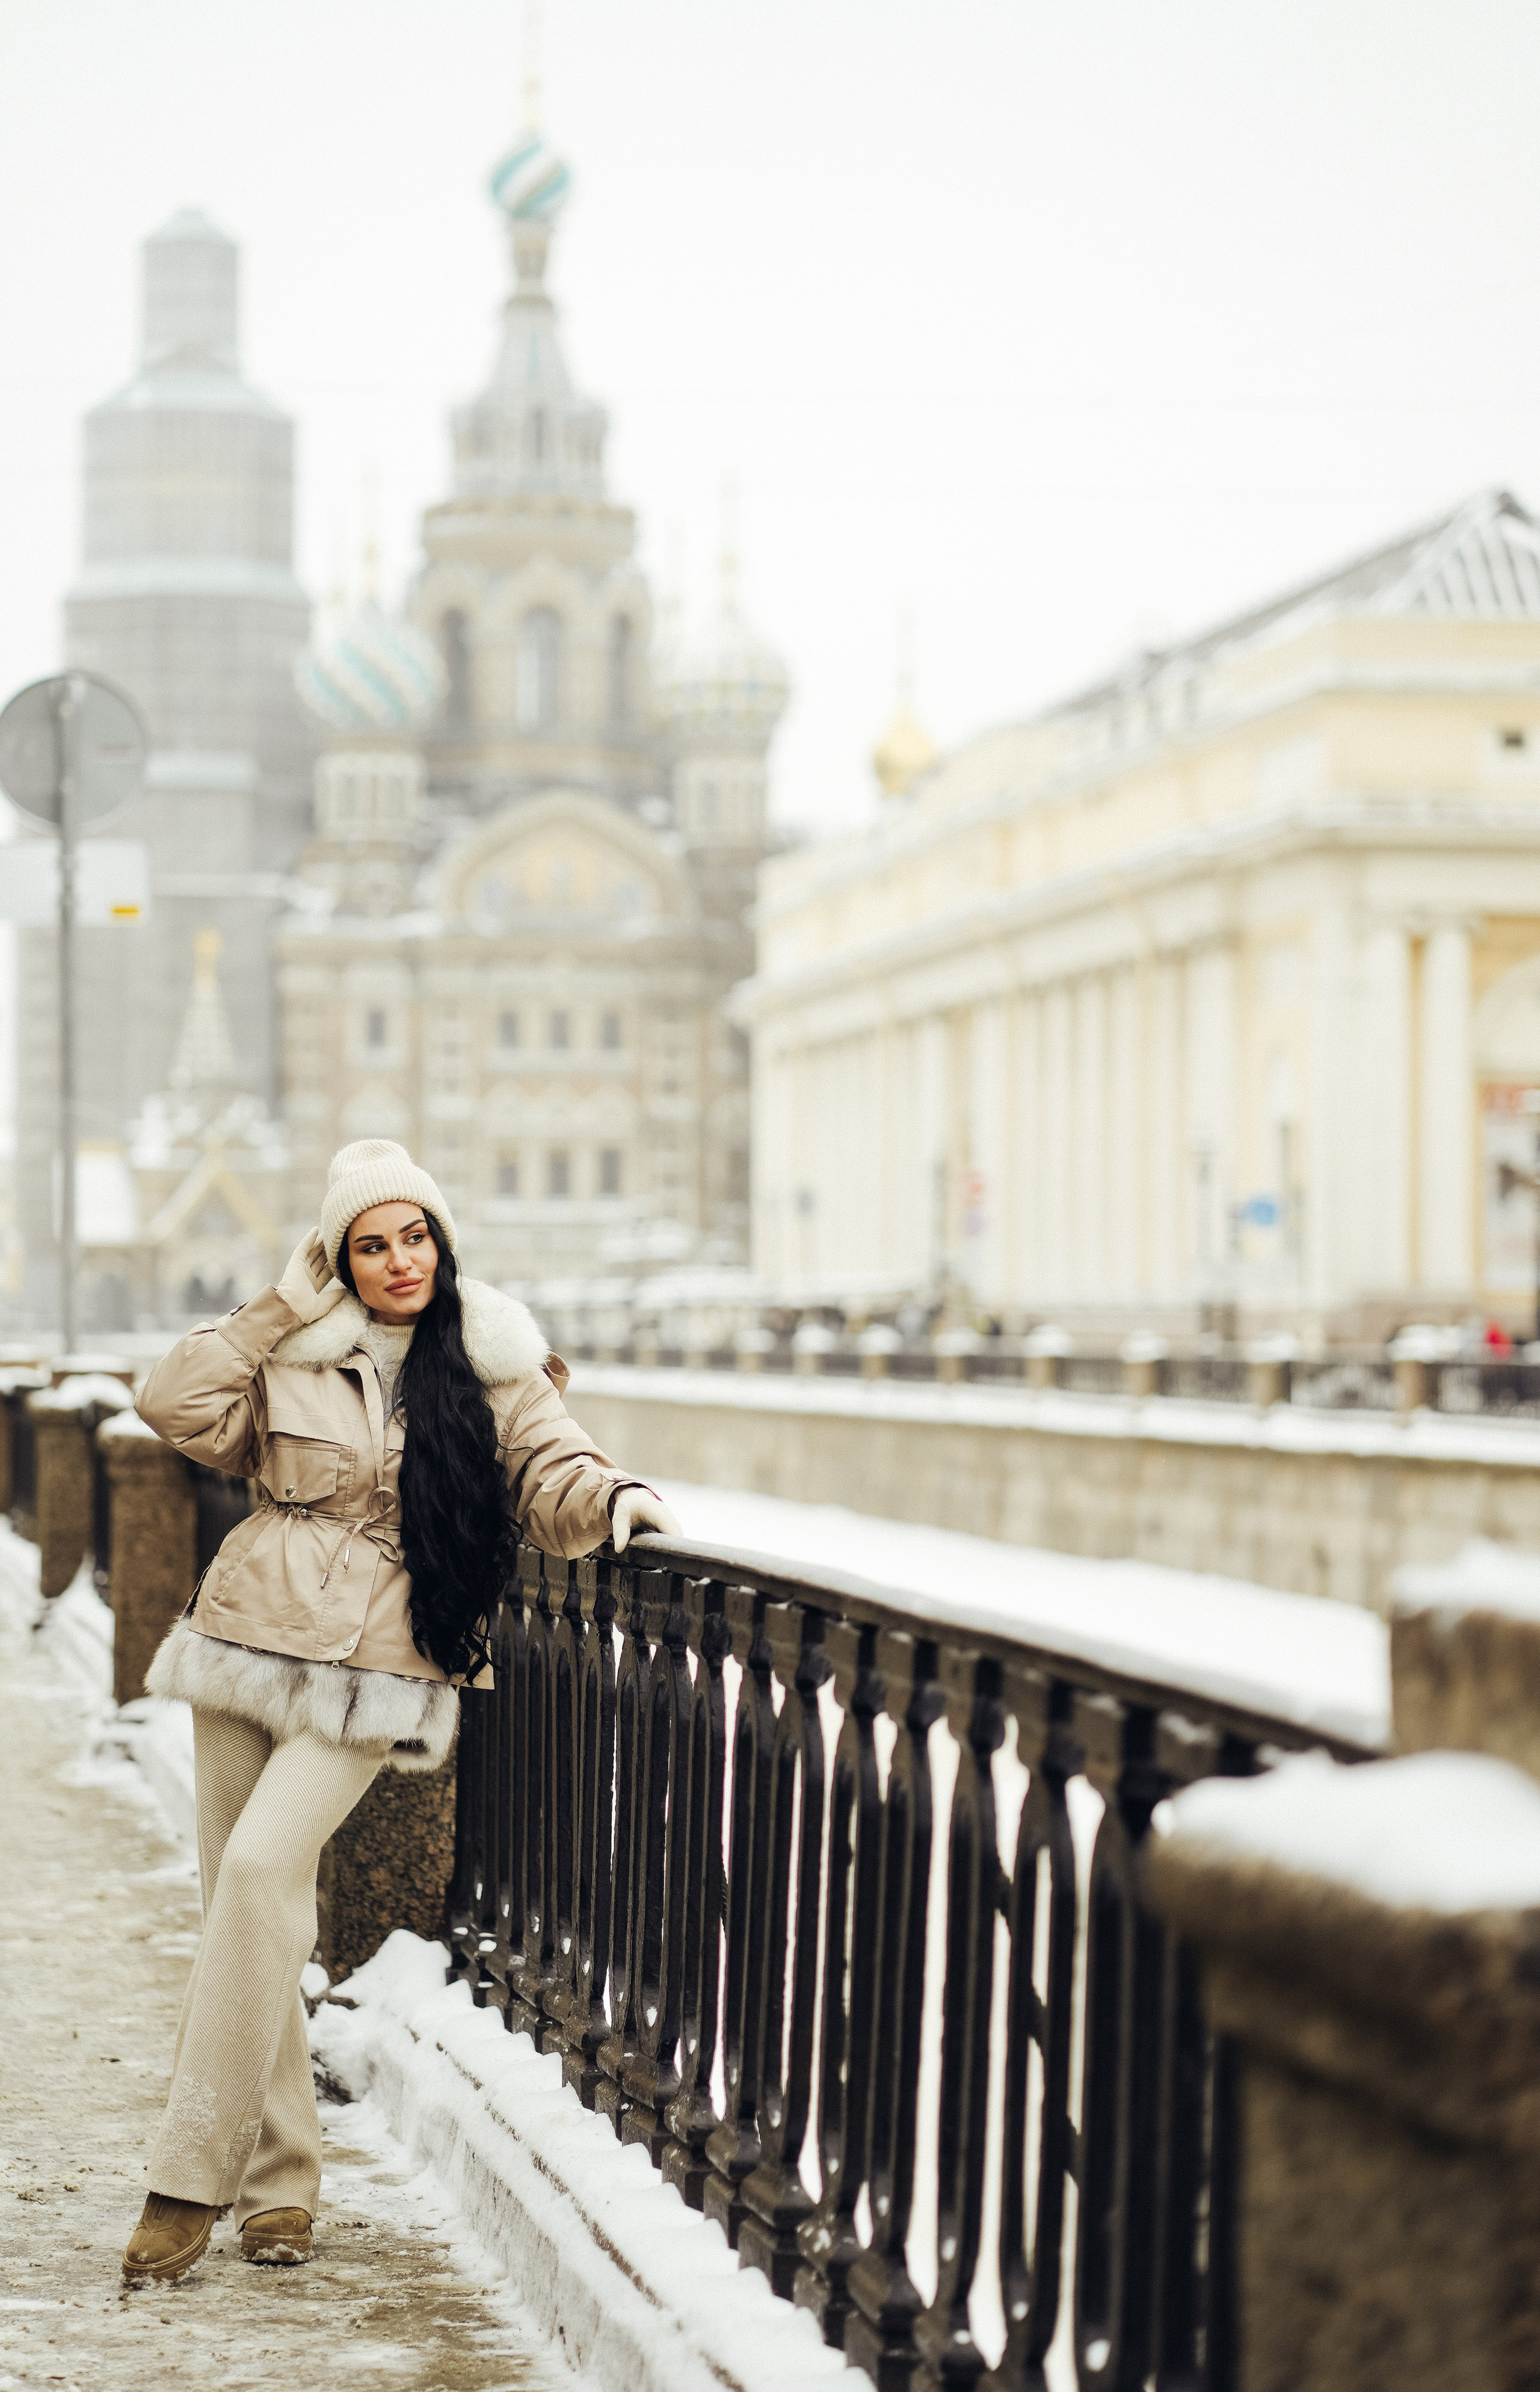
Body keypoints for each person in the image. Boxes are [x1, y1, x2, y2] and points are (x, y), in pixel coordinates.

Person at [119, 1138, 679, 2286]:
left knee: (264, 1873)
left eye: (414, 1236)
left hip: (381, 1664)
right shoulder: (289, 1355)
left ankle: (187, 2178)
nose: (398, 1261)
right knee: (242, 1900)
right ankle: (281, 2189)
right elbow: (170, 1400)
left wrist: (615, 1497)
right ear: (341, 1259)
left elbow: (553, 1472)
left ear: (443, 1242)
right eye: (370, 1245)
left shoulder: (491, 1366)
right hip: (240, 1643)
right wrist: (280, 1302)